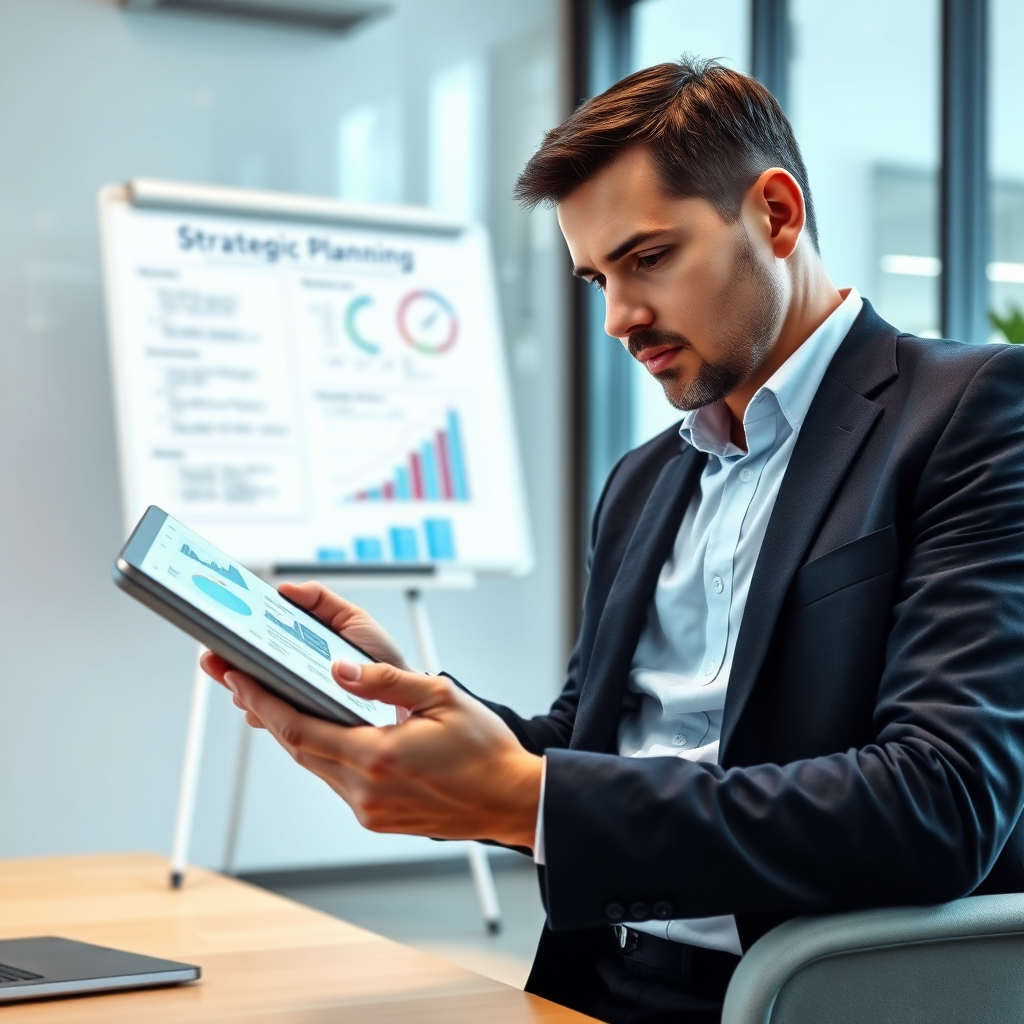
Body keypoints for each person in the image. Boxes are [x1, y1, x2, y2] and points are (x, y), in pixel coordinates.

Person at [200, 58, 1024, 1024]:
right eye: (597, 277)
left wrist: (524, 801)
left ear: (777, 213)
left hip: (803, 991)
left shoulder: (972, 413)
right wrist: (418, 710)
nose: (618, 318)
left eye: (648, 259)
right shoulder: (643, 480)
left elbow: (941, 801)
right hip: (598, 974)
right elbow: (587, 743)